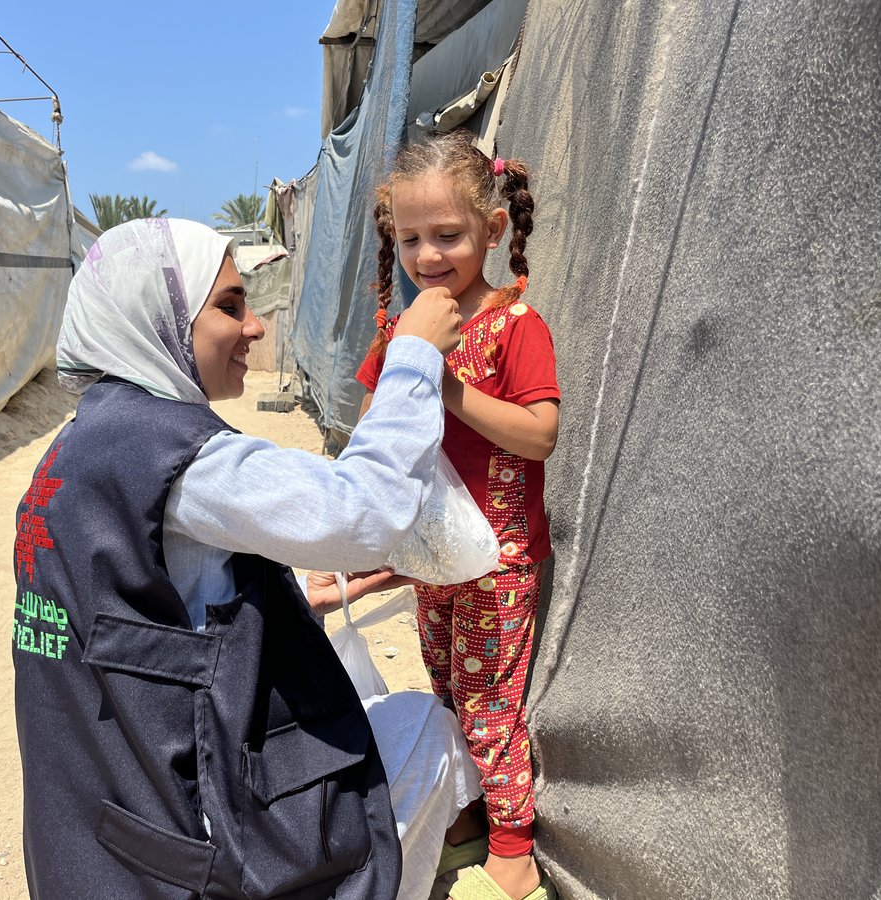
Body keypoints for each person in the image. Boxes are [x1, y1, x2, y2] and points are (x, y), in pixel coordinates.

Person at [11, 217, 480, 900]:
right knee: (427, 734)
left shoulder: (80, 447)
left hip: (94, 837)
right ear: (161, 322)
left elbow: (144, 621)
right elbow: (361, 511)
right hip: (187, 854)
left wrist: (299, 601)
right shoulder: (176, 455)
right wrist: (412, 356)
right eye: (230, 306)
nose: (256, 327)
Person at [354, 132, 560, 900]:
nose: (428, 255)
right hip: (432, 556)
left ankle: (513, 852)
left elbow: (540, 434)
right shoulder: (400, 333)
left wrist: (444, 387)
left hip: (497, 561)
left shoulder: (515, 326)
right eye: (411, 238)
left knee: (488, 703)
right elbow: (372, 433)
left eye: (448, 235)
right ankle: (467, 811)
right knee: (445, 691)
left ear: (494, 229)